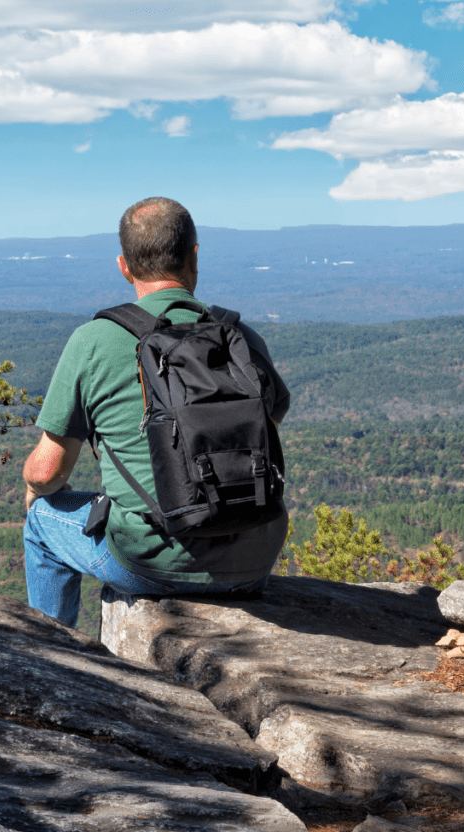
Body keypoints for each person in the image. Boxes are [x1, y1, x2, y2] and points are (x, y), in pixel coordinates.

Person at [22, 197, 290, 627]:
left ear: (124, 266)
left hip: (147, 561)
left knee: (41, 524)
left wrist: (32, 488)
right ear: (194, 256)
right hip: (253, 560)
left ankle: (50, 657)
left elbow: (47, 472)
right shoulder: (242, 338)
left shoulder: (94, 340)